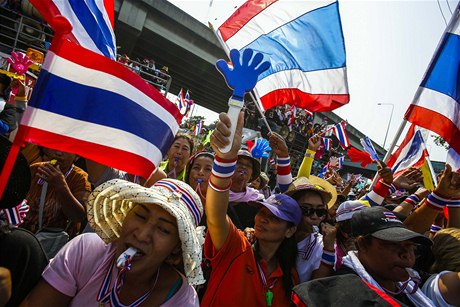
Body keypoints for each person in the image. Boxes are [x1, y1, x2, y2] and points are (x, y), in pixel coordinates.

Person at [21, 178, 205, 306]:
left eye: (164, 230)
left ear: (175, 248)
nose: (142, 235)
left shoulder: (182, 301)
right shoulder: (86, 251)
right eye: (140, 216)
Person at [202, 112, 301, 306]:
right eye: (261, 212)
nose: (262, 219)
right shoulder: (236, 247)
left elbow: (292, 198)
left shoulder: (291, 278)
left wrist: (283, 157)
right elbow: (215, 215)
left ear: (290, 230)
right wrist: (224, 161)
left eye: (274, 218)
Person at [336, 206, 434, 306]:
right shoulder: (345, 295)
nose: (406, 254)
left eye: (409, 245)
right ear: (362, 245)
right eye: (392, 244)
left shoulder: (411, 283)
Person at [20, 147, 91, 257]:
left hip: (51, 248)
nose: (58, 153)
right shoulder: (35, 169)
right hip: (24, 241)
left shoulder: (80, 178)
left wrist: (61, 186)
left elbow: (78, 216)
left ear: (77, 156)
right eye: (56, 147)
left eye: (66, 149)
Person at [285, 176, 338, 282]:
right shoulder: (275, 231)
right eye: (306, 209)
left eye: (320, 211)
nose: (314, 216)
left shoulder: (321, 246)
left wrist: (329, 249)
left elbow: (314, 288)